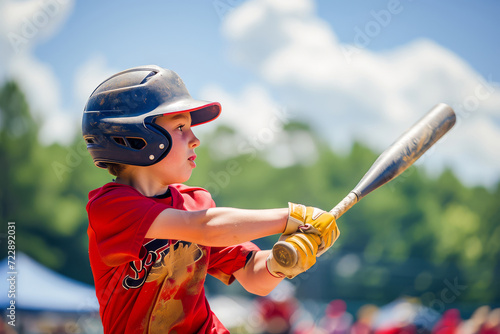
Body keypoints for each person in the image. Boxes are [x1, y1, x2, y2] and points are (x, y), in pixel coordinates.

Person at [82, 65, 340, 333]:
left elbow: (254, 277)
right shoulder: (109, 207)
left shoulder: (196, 203)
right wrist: (292, 216)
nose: (195, 140)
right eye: (181, 127)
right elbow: (203, 228)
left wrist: (282, 262)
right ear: (136, 139)